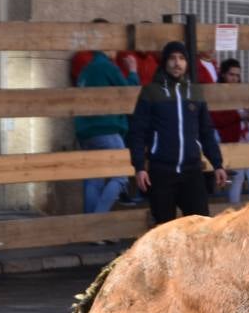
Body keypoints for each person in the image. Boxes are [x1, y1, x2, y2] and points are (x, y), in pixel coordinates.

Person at [126, 41, 228, 225]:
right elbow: (137, 132)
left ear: (187, 63)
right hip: (161, 173)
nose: (177, 63)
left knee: (201, 226)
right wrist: (140, 166)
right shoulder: (151, 92)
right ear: (165, 62)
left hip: (192, 171)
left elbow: (206, 131)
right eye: (172, 58)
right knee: (165, 230)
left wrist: (218, 164)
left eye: (181, 58)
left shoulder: (195, 92)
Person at [74, 27, 137, 214]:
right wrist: (133, 71)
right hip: (107, 129)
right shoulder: (108, 67)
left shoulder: (86, 70)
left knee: (94, 179)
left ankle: (90, 230)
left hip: (85, 132)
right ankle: (99, 223)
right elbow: (129, 94)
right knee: (122, 175)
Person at [209, 59, 249, 204]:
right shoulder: (217, 93)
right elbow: (216, 118)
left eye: (237, 75)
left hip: (247, 142)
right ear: (223, 75)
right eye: (231, 75)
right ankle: (233, 213)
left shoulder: (242, 92)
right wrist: (239, 115)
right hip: (230, 142)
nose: (234, 78)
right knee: (237, 179)